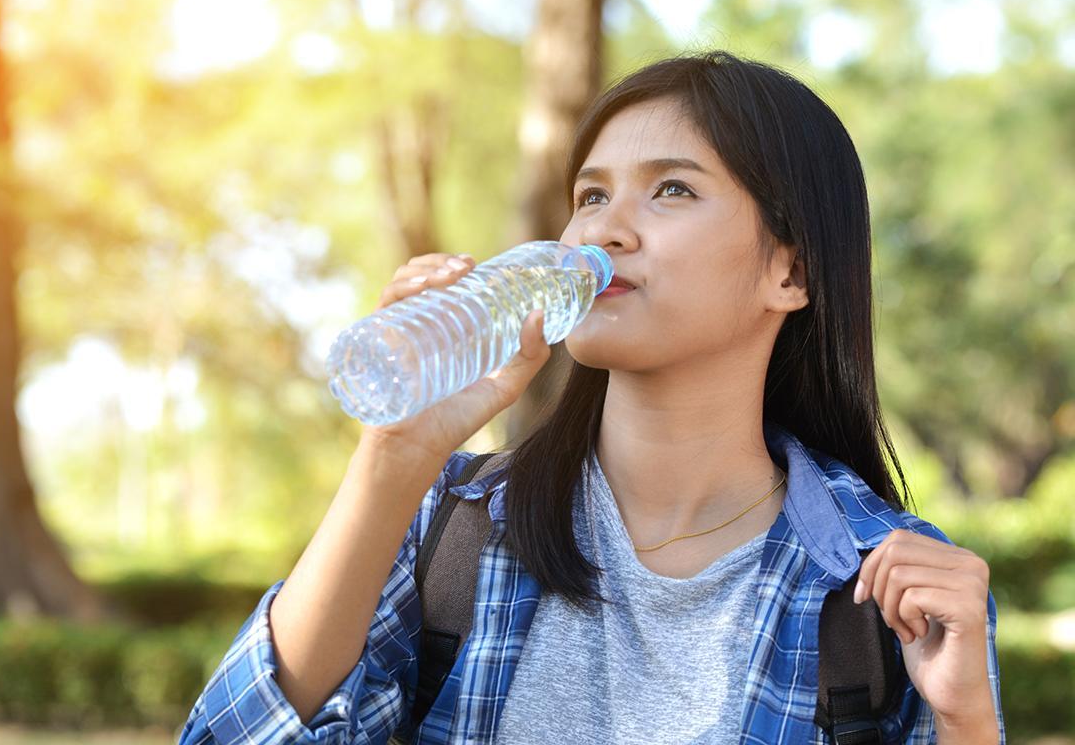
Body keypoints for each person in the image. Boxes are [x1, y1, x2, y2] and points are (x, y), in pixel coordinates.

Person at [178, 51, 1005, 744]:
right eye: (591, 195)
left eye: (671, 190)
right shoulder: (452, 527)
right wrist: (391, 459)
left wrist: (967, 719)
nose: (604, 231)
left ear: (787, 272)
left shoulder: (882, 588)